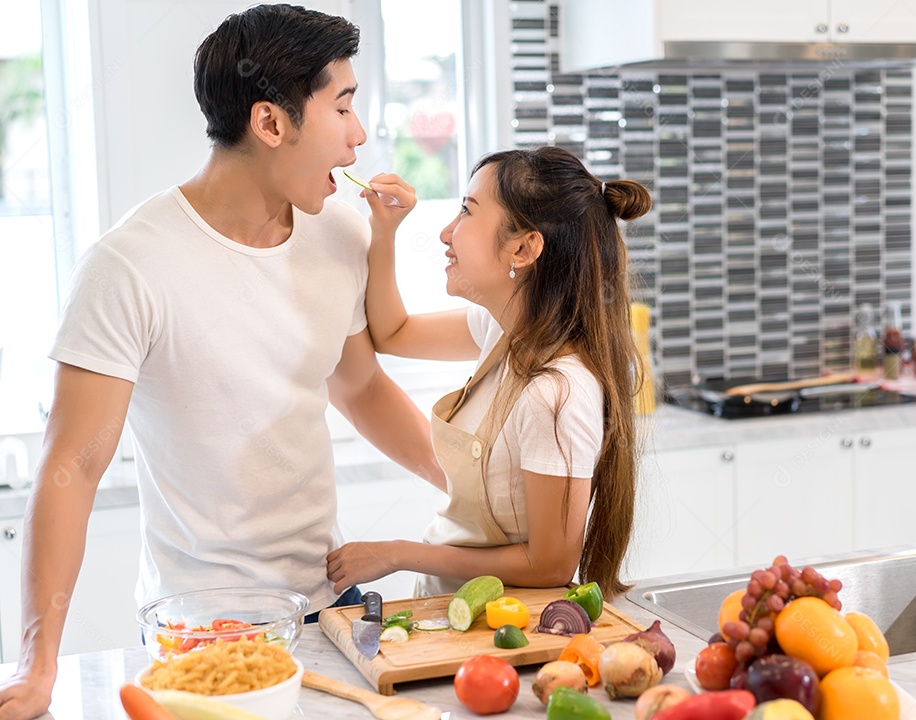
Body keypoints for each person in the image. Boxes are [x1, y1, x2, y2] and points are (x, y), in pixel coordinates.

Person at [0, 6, 442, 718]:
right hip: (200, 635)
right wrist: (36, 662)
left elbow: (360, 387)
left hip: (331, 613)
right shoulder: (130, 266)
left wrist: (470, 488)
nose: (360, 136)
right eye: (343, 107)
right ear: (271, 123)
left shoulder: (340, 231)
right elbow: (71, 467)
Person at [325, 146, 652, 598]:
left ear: (522, 247)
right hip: (459, 616)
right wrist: (384, 231)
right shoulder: (502, 330)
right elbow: (393, 332)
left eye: (466, 211)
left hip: (501, 627)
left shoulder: (556, 393)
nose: (446, 233)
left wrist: (398, 554)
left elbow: (551, 564)